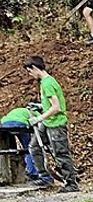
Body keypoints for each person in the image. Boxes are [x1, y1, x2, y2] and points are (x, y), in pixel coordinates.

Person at [24, 56, 79, 192]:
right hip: (48, 123)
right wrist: (39, 106)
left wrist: (39, 118)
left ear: (35, 68)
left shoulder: (48, 83)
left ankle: (71, 183)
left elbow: (56, 107)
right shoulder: (44, 83)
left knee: (60, 153)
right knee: (34, 147)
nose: (30, 75)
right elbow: (49, 105)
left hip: (56, 123)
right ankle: (44, 176)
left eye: (30, 71)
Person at [1, 104, 39, 181]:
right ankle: (32, 172)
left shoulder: (16, 110)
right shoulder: (33, 112)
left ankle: (7, 174)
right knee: (28, 148)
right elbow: (40, 121)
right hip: (20, 124)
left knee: (9, 148)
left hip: (5, 124)